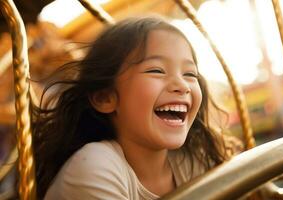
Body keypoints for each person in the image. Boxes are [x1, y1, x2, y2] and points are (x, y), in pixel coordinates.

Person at [32, 16, 241, 200]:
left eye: (190, 74)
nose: (182, 85)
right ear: (105, 97)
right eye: (156, 70)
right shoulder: (93, 166)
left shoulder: (190, 161)